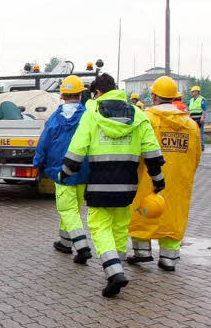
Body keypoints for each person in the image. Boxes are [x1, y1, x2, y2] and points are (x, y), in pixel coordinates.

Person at [60, 73, 164, 298]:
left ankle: (114, 272)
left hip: (99, 184)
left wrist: (65, 172)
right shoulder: (137, 114)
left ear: (97, 93)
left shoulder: (92, 114)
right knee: (119, 226)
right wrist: (158, 181)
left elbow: (77, 148)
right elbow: (153, 152)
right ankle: (117, 265)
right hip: (127, 186)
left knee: (99, 226)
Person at [127, 76, 201, 272]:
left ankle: (141, 252)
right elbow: (196, 156)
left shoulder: (146, 119)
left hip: (147, 177)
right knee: (174, 215)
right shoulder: (191, 125)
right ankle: (169, 258)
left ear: (154, 96)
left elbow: (135, 149)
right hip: (178, 181)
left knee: (142, 211)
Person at [34, 75, 92, 264]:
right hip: (83, 169)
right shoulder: (87, 117)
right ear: (81, 94)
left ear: (62, 95)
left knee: (67, 209)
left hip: (61, 170)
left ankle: (82, 247)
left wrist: (38, 163)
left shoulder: (56, 118)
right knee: (73, 208)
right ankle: (65, 242)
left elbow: (44, 141)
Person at [188, 85, 208, 150]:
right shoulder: (191, 100)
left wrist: (202, 117)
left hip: (199, 119)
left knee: (200, 133)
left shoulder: (202, 99)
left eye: (193, 91)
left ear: (197, 92)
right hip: (192, 119)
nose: (192, 93)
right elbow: (189, 110)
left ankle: (201, 146)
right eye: (192, 91)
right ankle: (194, 146)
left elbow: (204, 109)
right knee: (193, 133)